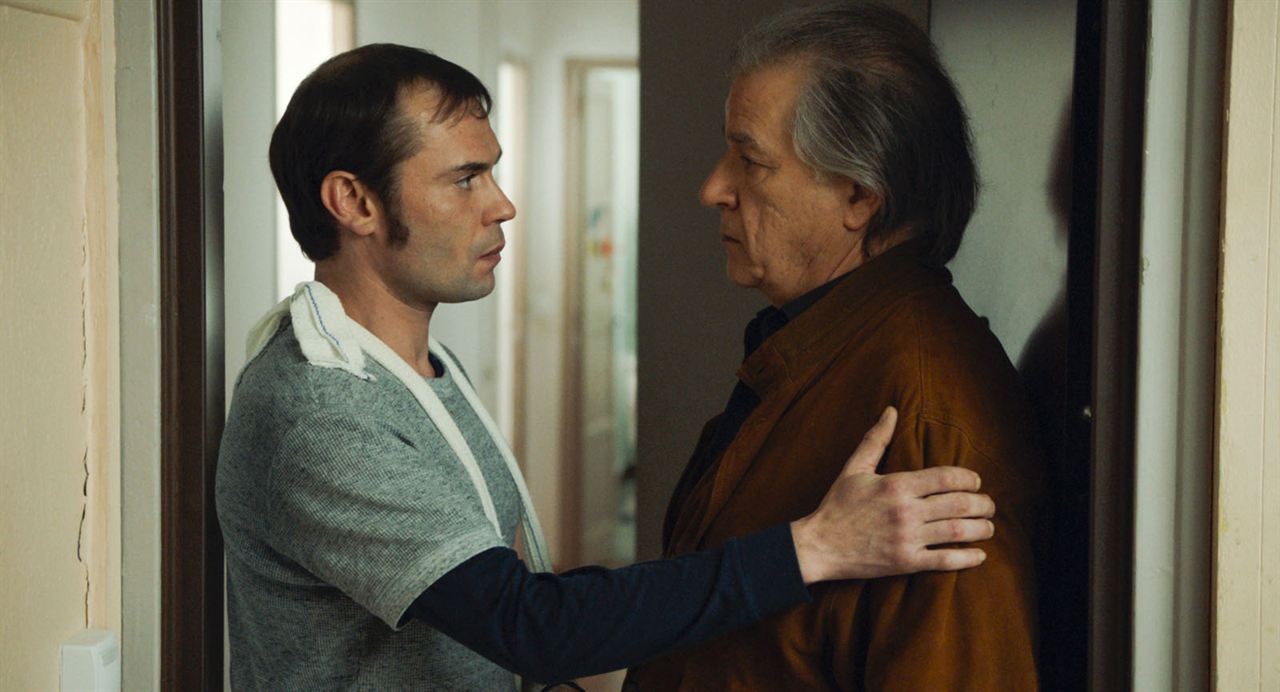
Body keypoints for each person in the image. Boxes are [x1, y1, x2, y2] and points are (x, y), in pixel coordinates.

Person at [215, 43, 998, 691]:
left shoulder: (421, 371)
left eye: (491, 171)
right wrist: (813, 548)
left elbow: (500, 623)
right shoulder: (322, 410)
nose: (502, 204)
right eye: (465, 179)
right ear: (354, 202)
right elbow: (529, 625)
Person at [624, 4, 1045, 690]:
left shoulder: (927, 419)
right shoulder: (818, 348)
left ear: (859, 195)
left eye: (750, 160)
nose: (713, 189)